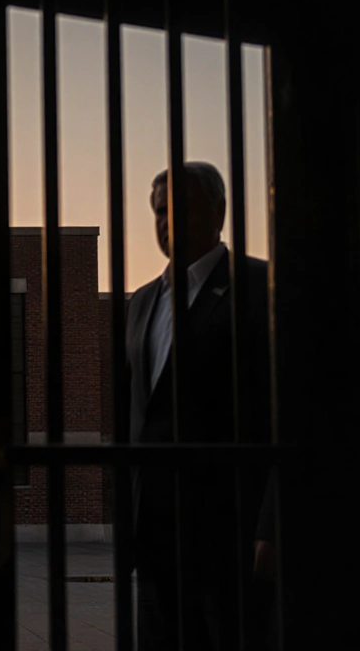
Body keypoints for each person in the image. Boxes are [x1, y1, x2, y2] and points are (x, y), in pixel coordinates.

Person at [125, 163, 275, 650]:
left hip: (230, 533)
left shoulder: (260, 289)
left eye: (182, 207)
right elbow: (136, 416)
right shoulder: (142, 302)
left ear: (220, 210)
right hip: (154, 537)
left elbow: (285, 411)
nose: (168, 221)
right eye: (161, 211)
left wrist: (271, 525)